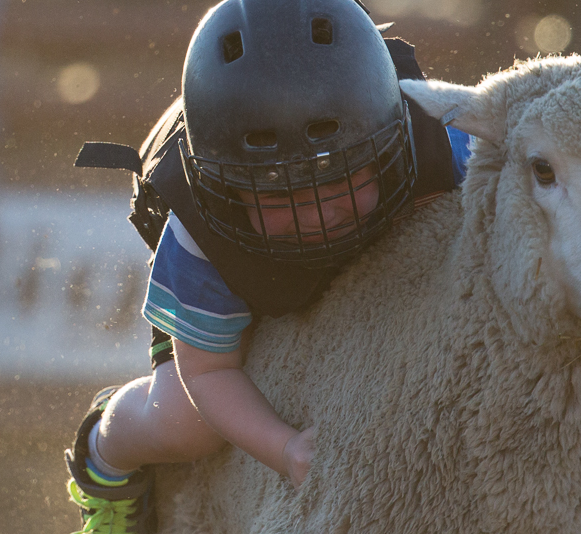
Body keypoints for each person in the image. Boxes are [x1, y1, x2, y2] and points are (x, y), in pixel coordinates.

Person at [67, 0, 472, 531]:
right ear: (227, 188)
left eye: (337, 177)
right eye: (278, 194)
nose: (317, 216)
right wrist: (284, 448)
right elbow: (208, 372)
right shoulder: (202, 229)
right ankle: (103, 457)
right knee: (187, 425)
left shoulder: (448, 141)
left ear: (390, 141)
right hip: (248, 276)